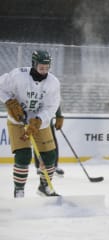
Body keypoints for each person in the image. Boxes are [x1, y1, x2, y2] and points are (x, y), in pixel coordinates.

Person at [0, 50, 61, 198]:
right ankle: (19, 190)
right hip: (18, 121)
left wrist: (39, 120)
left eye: (47, 68)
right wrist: (9, 101)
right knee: (23, 155)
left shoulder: (53, 82)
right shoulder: (18, 75)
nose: (44, 71)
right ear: (34, 64)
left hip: (39, 123)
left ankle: (44, 187)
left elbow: (51, 106)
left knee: (50, 155)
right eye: (41, 67)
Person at [35, 106, 65, 176]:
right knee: (37, 142)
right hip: (35, 121)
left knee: (52, 143)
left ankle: (54, 165)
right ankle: (39, 166)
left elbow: (56, 100)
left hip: (47, 121)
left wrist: (59, 116)